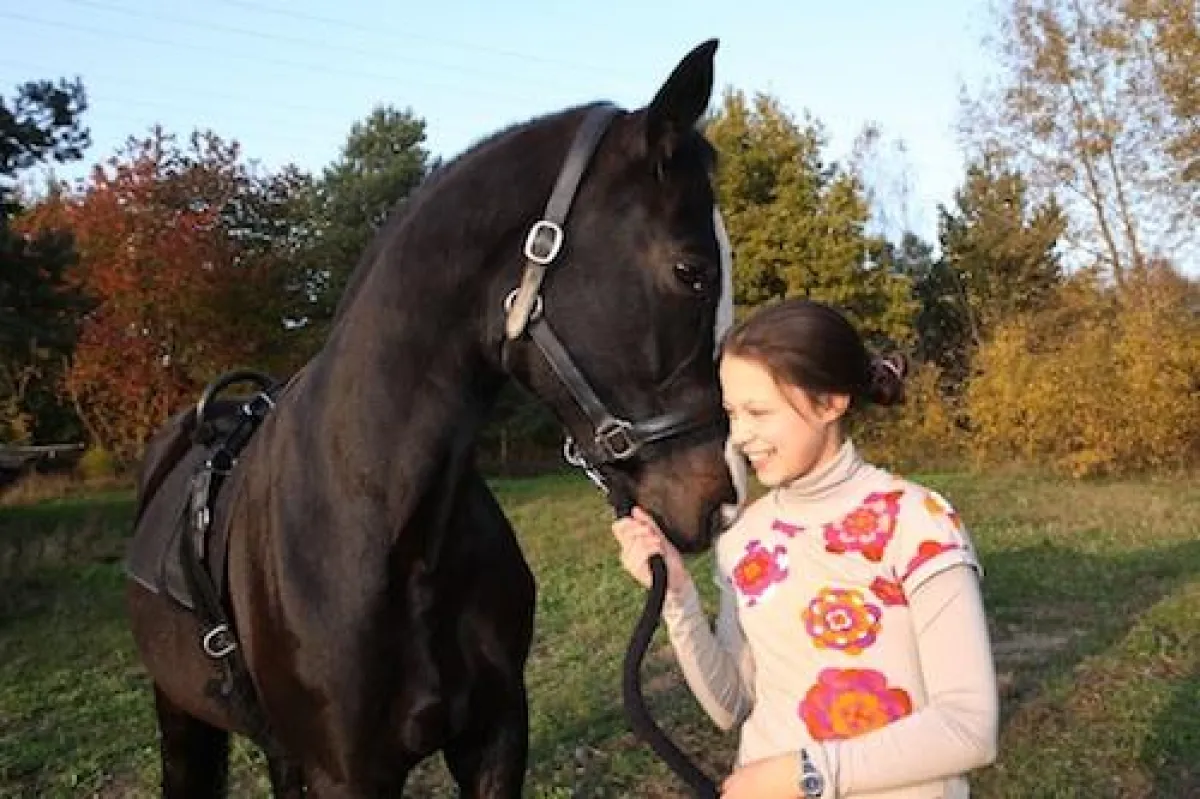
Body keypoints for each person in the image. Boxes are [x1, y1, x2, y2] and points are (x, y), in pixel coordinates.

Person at [613, 299, 999, 798]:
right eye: (731, 413)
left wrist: (807, 775)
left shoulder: (917, 522)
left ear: (831, 402)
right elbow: (731, 705)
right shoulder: (745, 537)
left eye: (759, 412)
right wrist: (678, 595)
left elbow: (969, 727)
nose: (740, 437)